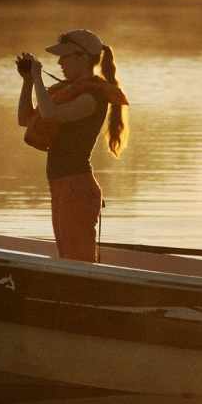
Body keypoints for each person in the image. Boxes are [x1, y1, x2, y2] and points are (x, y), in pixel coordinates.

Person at [16, 29, 129, 261]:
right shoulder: (67, 91)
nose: (59, 62)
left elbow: (50, 115)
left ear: (83, 58)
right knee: (68, 257)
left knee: (77, 261)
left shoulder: (91, 98)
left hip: (76, 188)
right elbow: (25, 118)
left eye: (65, 57)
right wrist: (28, 81)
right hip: (61, 185)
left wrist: (38, 77)